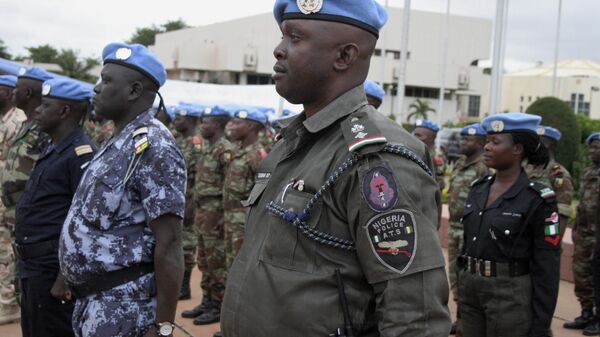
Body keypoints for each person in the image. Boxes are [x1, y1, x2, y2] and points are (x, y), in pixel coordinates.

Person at [221, 1, 451, 336]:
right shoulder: (292, 142)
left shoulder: (377, 159)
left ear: (344, 57)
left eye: (295, 38)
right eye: (283, 37)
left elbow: (415, 317)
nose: (279, 50)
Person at [59, 42, 186, 337]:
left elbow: (169, 243)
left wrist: (163, 326)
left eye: (105, 81)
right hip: (93, 302)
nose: (96, 88)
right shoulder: (119, 140)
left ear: (133, 91)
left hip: (124, 308)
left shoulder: (154, 146)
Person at [458, 112, 560, 337]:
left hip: (509, 295)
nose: (487, 147)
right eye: (487, 141)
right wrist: (460, 314)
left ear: (517, 149)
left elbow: (547, 267)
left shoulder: (538, 199)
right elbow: (465, 249)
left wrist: (541, 326)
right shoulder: (478, 189)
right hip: (471, 291)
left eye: (495, 142)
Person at [15, 77, 96, 337]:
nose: (37, 109)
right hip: (34, 264)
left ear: (64, 112)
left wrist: (65, 276)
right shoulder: (54, 147)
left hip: (52, 268)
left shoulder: (80, 154)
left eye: (45, 105)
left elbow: (85, 220)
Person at [0, 67, 52, 323]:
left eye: (18, 89)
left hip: (32, 222)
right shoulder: (25, 124)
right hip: (13, 215)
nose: (13, 93)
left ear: (27, 92)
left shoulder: (44, 129)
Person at [181, 106, 232, 326]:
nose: (202, 125)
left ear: (218, 125)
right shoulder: (206, 148)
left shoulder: (225, 150)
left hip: (217, 213)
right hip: (203, 212)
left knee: (217, 261)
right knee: (204, 259)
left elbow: (230, 187)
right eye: (201, 121)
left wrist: (223, 216)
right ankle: (207, 301)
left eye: (207, 122)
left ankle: (219, 306)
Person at [446, 123, 489, 334]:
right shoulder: (461, 162)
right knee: (454, 274)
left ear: (481, 143)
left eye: (468, 140)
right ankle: (460, 317)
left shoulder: (484, 167)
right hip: (454, 228)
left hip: (470, 229)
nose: (463, 143)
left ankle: (467, 320)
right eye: (462, 139)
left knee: (467, 277)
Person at [0, 74, 26, 324]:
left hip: (11, 201)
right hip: (2, 197)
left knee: (7, 250)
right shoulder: (3, 120)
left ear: (8, 93)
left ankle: (9, 305)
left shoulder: (17, 121)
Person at [172, 105, 202, 300]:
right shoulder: (178, 140)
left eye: (181, 118)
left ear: (191, 120)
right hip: (176, 198)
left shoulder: (196, 144)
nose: (176, 121)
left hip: (189, 200)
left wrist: (191, 204)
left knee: (187, 243)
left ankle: (184, 287)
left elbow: (199, 177)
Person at [526, 126, 573, 239]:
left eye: (537, 141)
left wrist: (552, 242)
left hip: (542, 235)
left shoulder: (558, 173)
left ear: (548, 145)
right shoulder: (526, 168)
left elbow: (562, 212)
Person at [578, 133, 600, 335]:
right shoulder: (588, 172)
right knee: (583, 274)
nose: (593, 151)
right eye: (591, 147)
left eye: (597, 147)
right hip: (585, 233)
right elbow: (582, 204)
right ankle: (586, 313)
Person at [413, 119, 446, 190]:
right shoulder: (417, 151)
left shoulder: (437, 156)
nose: (414, 138)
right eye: (414, 134)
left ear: (431, 138)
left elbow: (439, 183)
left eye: (419, 135)